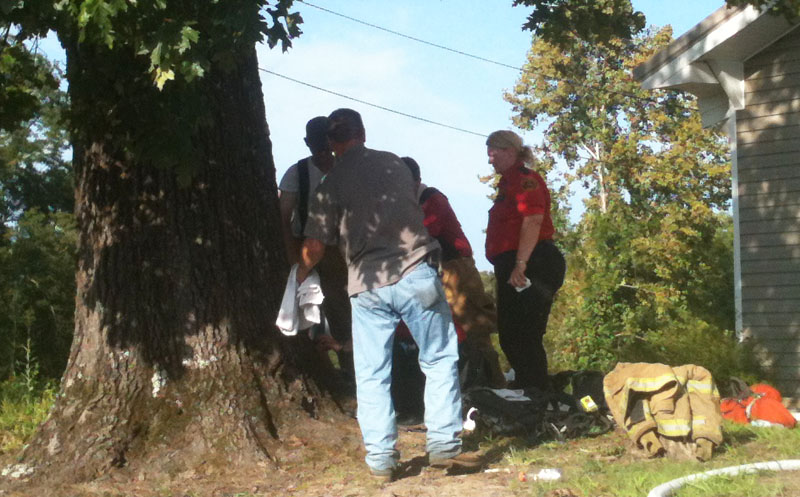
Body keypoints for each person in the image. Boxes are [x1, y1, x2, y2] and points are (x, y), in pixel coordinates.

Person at [296, 108, 481, 481]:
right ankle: (444, 444)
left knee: (372, 372)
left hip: (366, 285)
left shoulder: (328, 185)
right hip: (416, 272)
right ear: (363, 132)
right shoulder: (395, 164)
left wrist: (296, 277)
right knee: (439, 358)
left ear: (331, 144)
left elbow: (315, 247)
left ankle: (381, 460)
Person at [401, 157, 506, 389]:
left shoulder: (431, 199)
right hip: (433, 271)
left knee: (472, 328)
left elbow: (425, 230)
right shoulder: (409, 202)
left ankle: (494, 386)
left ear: (415, 180)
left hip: (455, 269)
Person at [484, 130, 566, 391]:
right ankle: (529, 389)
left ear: (509, 151)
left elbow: (532, 219)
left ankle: (537, 395)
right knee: (510, 334)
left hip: (533, 261)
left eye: (493, 153)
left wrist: (521, 265)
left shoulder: (525, 180)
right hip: (515, 263)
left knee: (524, 334)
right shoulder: (507, 183)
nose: (489, 160)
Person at [278, 116, 353, 375]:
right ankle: (313, 372)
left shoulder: (347, 170)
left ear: (333, 142)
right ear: (307, 143)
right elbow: (284, 216)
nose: (322, 151)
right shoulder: (296, 172)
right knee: (301, 311)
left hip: (338, 252)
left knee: (341, 312)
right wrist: (292, 255)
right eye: (316, 146)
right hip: (304, 247)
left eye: (325, 145)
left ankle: (348, 371)